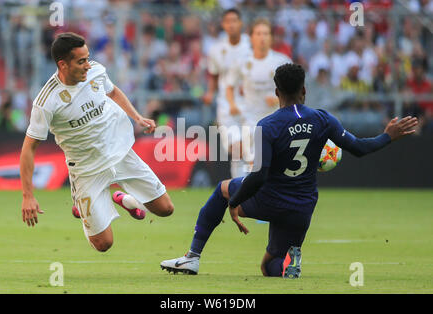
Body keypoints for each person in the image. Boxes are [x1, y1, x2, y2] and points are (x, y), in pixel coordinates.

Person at [160, 63, 418, 278]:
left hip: (269, 199)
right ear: (304, 90)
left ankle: (192, 257)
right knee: (269, 265)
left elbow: (259, 175)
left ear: (276, 91)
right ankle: (288, 261)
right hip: (303, 206)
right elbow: (360, 148)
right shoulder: (323, 119)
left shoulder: (268, 125)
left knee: (222, 189)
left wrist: (234, 203)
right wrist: (388, 136)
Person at [20, 32, 174, 252]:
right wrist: (28, 196)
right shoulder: (46, 102)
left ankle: (123, 198)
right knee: (104, 244)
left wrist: (137, 117)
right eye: (81, 61)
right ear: (63, 64)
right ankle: (84, 209)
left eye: (87, 58)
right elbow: (28, 148)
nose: (87, 65)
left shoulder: (96, 71)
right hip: (86, 170)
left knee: (166, 209)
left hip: (119, 153)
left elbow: (113, 92)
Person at [225, 18, 292, 173]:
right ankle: (239, 193)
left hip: (276, 121)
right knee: (245, 160)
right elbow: (229, 87)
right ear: (251, 37)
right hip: (250, 120)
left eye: (266, 34)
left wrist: (278, 99)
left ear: (271, 38)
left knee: (273, 166)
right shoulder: (242, 62)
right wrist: (232, 104)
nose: (262, 37)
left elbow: (294, 92)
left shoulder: (282, 61)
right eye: (259, 33)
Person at [202, 8, 252, 178]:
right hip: (226, 105)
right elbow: (214, 75)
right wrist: (210, 92)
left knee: (250, 150)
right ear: (223, 24)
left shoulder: (251, 45)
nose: (231, 25)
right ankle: (239, 189)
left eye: (234, 21)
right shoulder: (216, 50)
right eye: (227, 21)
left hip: (250, 104)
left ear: (241, 23)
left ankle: (243, 188)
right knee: (236, 148)